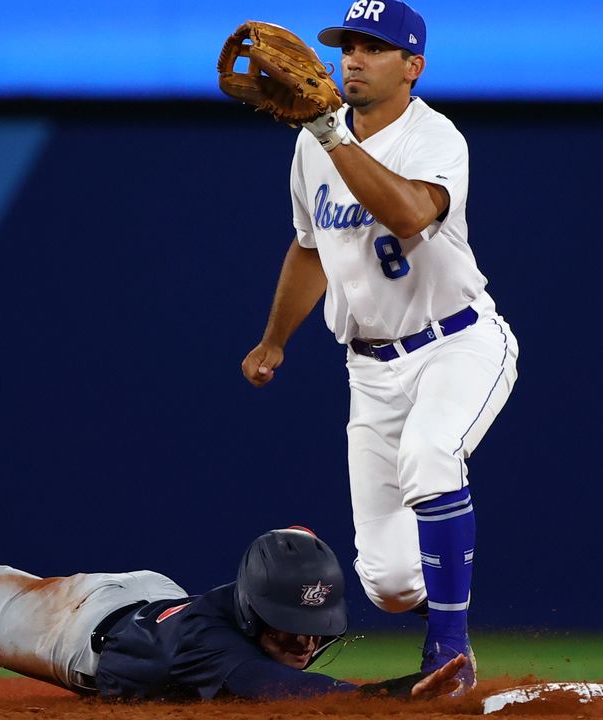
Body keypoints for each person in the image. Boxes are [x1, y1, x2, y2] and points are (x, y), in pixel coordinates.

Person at [0, 377, 466, 701]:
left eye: (313, 631)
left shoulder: (241, 621)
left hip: (151, 601)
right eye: (293, 631)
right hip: (79, 627)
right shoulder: (216, 647)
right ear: (255, 616)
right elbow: (292, 695)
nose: (306, 645)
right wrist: (401, 697)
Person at [239, 0, 520, 696]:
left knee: (432, 456)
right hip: (368, 368)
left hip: (457, 344)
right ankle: (447, 606)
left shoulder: (435, 138)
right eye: (347, 45)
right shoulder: (312, 143)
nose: (352, 58)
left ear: (412, 67)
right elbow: (311, 249)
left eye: (373, 47)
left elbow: (409, 213)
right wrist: (275, 339)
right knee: (390, 585)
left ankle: (448, 654)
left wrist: (333, 135)